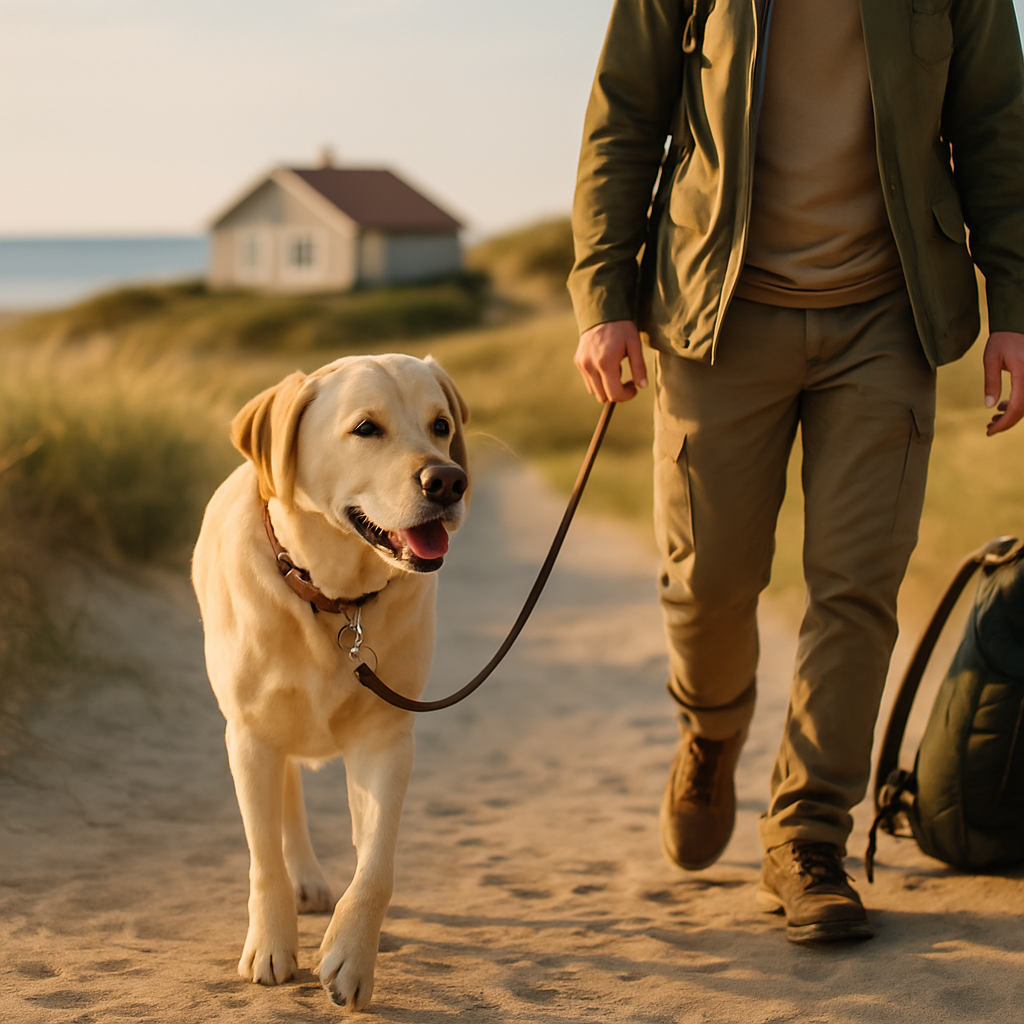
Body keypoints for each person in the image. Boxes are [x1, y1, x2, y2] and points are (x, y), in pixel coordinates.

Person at [569, 0, 1024, 943]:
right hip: (716, 308)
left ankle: (808, 837)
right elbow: (625, 112)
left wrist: (1017, 306)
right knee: (709, 582)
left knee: (857, 589)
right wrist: (602, 293)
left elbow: (997, 125)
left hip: (887, 313)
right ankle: (712, 727)